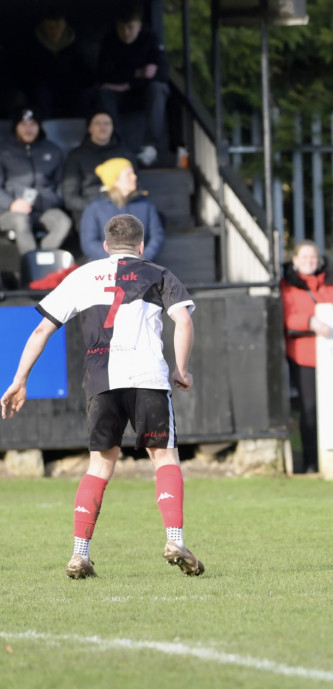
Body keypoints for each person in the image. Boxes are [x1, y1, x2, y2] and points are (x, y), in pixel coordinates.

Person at [1, 213, 204, 579]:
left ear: (106, 246)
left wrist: (19, 379)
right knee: (164, 457)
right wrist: (181, 369)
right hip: (148, 379)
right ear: (140, 246)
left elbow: (41, 329)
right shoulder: (157, 272)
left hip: (101, 382)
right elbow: (184, 321)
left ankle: (80, 553)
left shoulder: (81, 275)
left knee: (99, 465)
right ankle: (174, 539)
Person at [281, 240, 333, 474]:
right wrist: (309, 322)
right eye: (304, 257)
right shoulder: (287, 286)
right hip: (304, 356)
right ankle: (312, 461)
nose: (309, 261)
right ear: (295, 260)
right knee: (309, 409)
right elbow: (286, 315)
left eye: (313, 257)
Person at [96, 4, 170, 166]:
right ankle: (114, 143)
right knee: (103, 95)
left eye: (130, 27)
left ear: (139, 25)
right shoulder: (110, 41)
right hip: (120, 96)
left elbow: (162, 73)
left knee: (158, 89)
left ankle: (150, 146)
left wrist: (128, 83)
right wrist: (137, 73)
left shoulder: (151, 38)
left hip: (143, 95)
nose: (126, 32)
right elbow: (103, 76)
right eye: (122, 27)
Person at [0, 107, 72, 255]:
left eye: (33, 124)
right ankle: (31, 269)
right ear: (16, 127)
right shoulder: (4, 151)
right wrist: (11, 204)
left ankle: (41, 264)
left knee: (63, 222)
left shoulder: (52, 150)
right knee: (21, 220)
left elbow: (60, 185)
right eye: (23, 124)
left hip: (44, 210)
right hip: (10, 212)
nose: (28, 129)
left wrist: (50, 200)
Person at [62, 110, 138, 228]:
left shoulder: (124, 154)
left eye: (107, 123)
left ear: (113, 127)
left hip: (122, 208)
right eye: (97, 123)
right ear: (89, 128)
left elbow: (136, 186)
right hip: (89, 209)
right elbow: (70, 198)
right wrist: (96, 209)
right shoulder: (76, 156)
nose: (102, 127)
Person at [80, 157, 164, 262]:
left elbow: (157, 236)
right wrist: (117, 260)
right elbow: (89, 244)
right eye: (128, 174)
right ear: (115, 180)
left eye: (133, 173)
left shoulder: (146, 205)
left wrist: (143, 258)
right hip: (104, 271)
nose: (134, 177)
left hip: (141, 268)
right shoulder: (95, 209)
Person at [18, 10, 94, 119]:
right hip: (44, 90)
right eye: (49, 27)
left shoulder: (76, 45)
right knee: (41, 93)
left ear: (64, 26)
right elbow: (26, 73)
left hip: (70, 88)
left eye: (57, 26)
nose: (54, 30)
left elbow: (85, 72)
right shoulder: (32, 46)